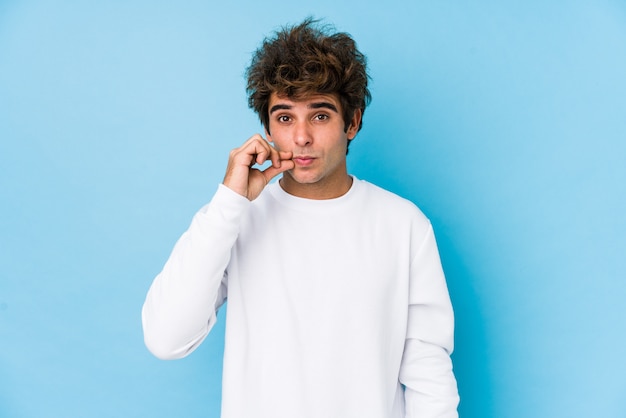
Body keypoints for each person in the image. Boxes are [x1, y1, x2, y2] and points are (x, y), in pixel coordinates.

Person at [142, 18, 459, 418]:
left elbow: (429, 375)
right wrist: (228, 202)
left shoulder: (403, 225)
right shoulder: (236, 218)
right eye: (285, 117)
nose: (302, 137)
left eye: (321, 115)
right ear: (268, 128)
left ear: (353, 122)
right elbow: (165, 337)